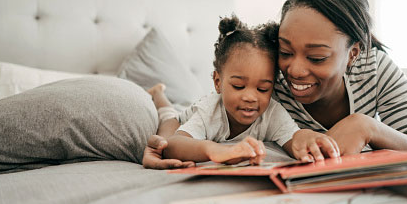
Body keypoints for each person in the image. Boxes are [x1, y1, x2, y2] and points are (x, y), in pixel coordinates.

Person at [144, 0, 407, 169]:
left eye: (316, 56)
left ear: (353, 54)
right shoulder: (265, 81)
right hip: (190, 110)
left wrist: (369, 128)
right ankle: (159, 95)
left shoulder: (376, 69)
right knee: (172, 110)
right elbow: (206, 126)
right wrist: (163, 144)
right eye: (285, 52)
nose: (295, 70)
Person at [142, 15, 340, 169]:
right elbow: (175, 144)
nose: (250, 97)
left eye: (263, 89)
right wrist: (214, 150)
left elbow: (293, 138)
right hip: (182, 118)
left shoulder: (272, 112)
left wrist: (306, 137)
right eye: (238, 86)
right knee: (167, 125)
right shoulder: (209, 111)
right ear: (218, 82)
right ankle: (159, 94)